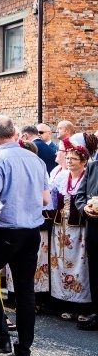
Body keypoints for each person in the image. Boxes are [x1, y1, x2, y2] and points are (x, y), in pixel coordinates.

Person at [0, 115, 50, 356]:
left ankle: (1, 337)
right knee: (25, 289)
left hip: (5, 230)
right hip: (32, 230)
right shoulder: (36, 160)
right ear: (15, 132)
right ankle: (23, 350)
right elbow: (46, 200)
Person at [48, 134, 97, 321]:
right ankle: (65, 303)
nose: (69, 162)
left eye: (73, 159)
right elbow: (51, 201)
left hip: (80, 230)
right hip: (61, 229)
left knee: (81, 265)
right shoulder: (60, 177)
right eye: (67, 158)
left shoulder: (87, 177)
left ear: (83, 161)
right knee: (61, 264)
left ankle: (83, 305)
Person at [74, 137, 98, 331]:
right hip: (94, 229)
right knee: (96, 273)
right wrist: (84, 209)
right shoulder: (93, 165)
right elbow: (80, 195)